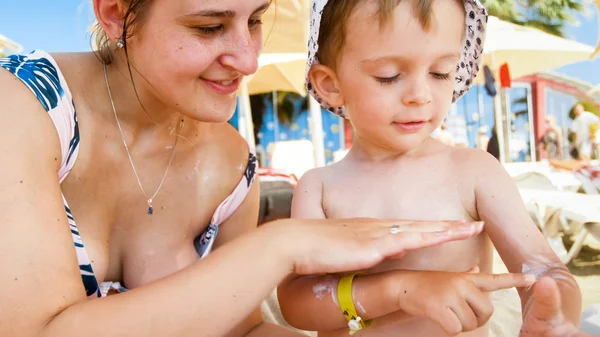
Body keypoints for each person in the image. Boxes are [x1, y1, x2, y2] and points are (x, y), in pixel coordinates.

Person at [0, 1, 490, 336]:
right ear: (115, 13)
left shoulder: (233, 165)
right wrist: (282, 245)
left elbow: (241, 328)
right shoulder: (22, 107)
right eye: (209, 27)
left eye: (256, 18)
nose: (248, 58)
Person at [277, 0, 587, 336]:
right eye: (389, 76)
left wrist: (554, 315)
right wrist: (400, 289)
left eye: (440, 72)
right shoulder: (319, 188)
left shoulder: (472, 172)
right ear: (330, 84)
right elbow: (298, 303)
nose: (420, 95)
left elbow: (543, 271)